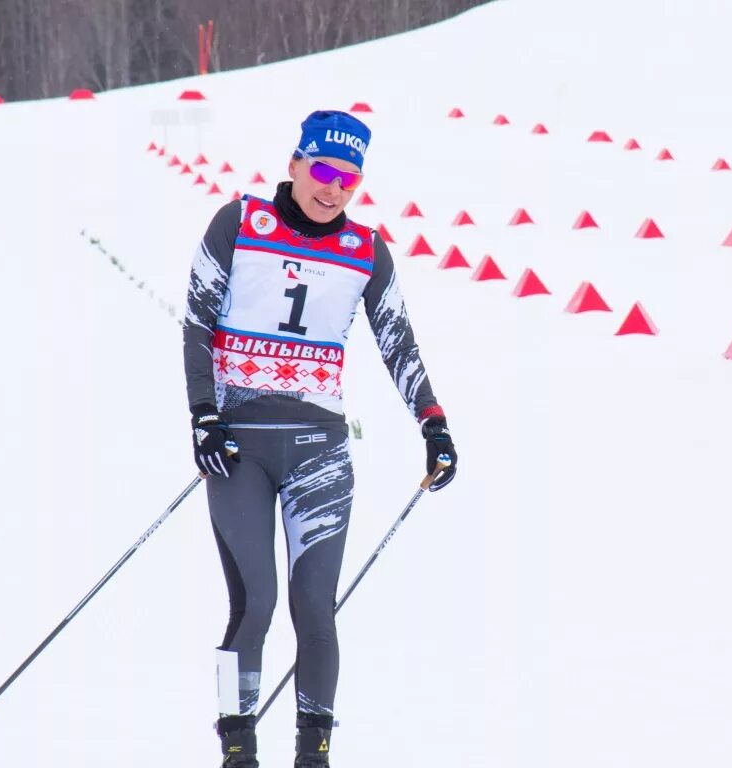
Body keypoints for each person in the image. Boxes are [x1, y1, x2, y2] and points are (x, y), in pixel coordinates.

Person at [181, 109, 458, 767]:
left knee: (315, 608)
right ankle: (238, 749)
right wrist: (203, 415)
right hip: (240, 447)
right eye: (324, 171)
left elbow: (397, 340)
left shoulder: (366, 248)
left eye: (349, 178)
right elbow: (195, 323)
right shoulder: (240, 222)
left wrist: (434, 422)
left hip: (319, 450)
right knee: (256, 604)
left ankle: (315, 754)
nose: (333, 189)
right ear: (296, 164)